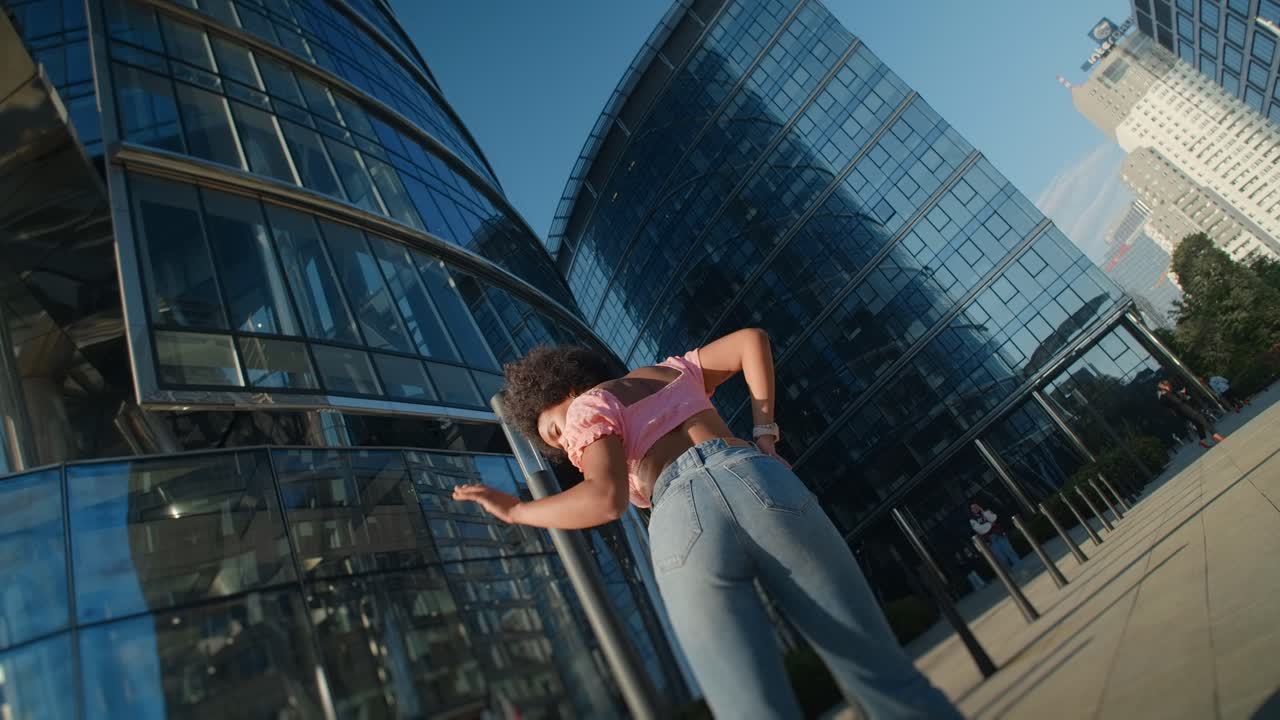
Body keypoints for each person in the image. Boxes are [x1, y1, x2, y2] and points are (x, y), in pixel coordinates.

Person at [452, 329, 959, 719]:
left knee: (751, 707)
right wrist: (764, 434)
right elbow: (750, 341)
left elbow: (604, 500)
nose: (566, 445)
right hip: (762, 481)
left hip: (680, 511)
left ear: (564, 388)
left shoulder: (589, 406)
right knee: (883, 671)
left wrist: (518, 511)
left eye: (555, 430)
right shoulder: (670, 371)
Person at [1158, 379, 1225, 449]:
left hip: (1181, 413)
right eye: (1168, 385)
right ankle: (1214, 434)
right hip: (1185, 409)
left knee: (1198, 423)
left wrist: (1181, 395)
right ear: (1164, 386)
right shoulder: (1168, 395)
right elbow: (1178, 402)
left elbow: (1171, 406)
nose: (1170, 387)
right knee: (1201, 418)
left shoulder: (1162, 398)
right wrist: (1182, 394)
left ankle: (1203, 440)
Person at [969, 503, 1020, 569]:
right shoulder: (972, 519)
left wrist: (983, 511)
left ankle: (1019, 566)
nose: (975, 508)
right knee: (1002, 557)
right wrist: (990, 524)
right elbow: (980, 530)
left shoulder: (986, 511)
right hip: (990, 540)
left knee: (1010, 551)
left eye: (976, 506)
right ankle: (1010, 571)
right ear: (971, 510)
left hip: (999, 534)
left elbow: (993, 518)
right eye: (973, 508)